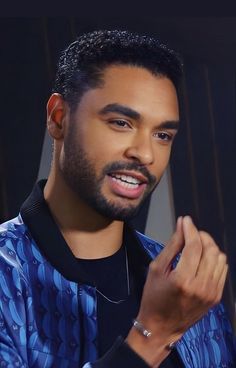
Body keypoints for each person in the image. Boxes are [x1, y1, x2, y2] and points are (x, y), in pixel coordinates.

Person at [0, 29, 235, 368]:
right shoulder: (8, 275)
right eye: (121, 122)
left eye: (163, 135)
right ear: (58, 118)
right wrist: (152, 333)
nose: (145, 154)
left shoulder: (187, 286)